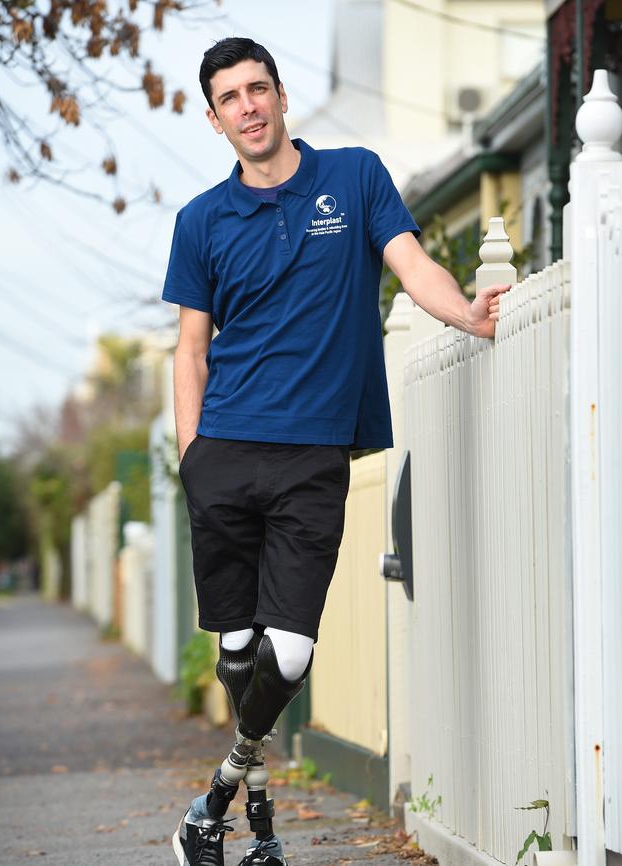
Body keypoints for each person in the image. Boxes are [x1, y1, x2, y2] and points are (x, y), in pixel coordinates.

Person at [162, 37, 510, 866]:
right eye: (229, 98)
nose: (247, 106)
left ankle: (212, 802)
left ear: (281, 97)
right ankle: (245, 830)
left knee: (290, 651)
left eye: (258, 89)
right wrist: (191, 460)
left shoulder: (353, 177)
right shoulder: (201, 220)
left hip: (313, 453)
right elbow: (190, 351)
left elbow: (409, 262)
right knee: (239, 652)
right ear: (214, 120)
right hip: (225, 453)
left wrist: (466, 313)